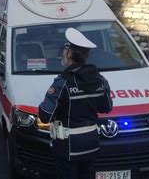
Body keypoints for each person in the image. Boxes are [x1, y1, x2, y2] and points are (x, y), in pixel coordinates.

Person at [38, 28, 113, 179]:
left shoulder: (62, 83)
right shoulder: (99, 79)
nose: (63, 55)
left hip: (68, 146)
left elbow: (45, 116)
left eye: (65, 51)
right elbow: (106, 107)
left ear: (70, 54)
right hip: (91, 144)